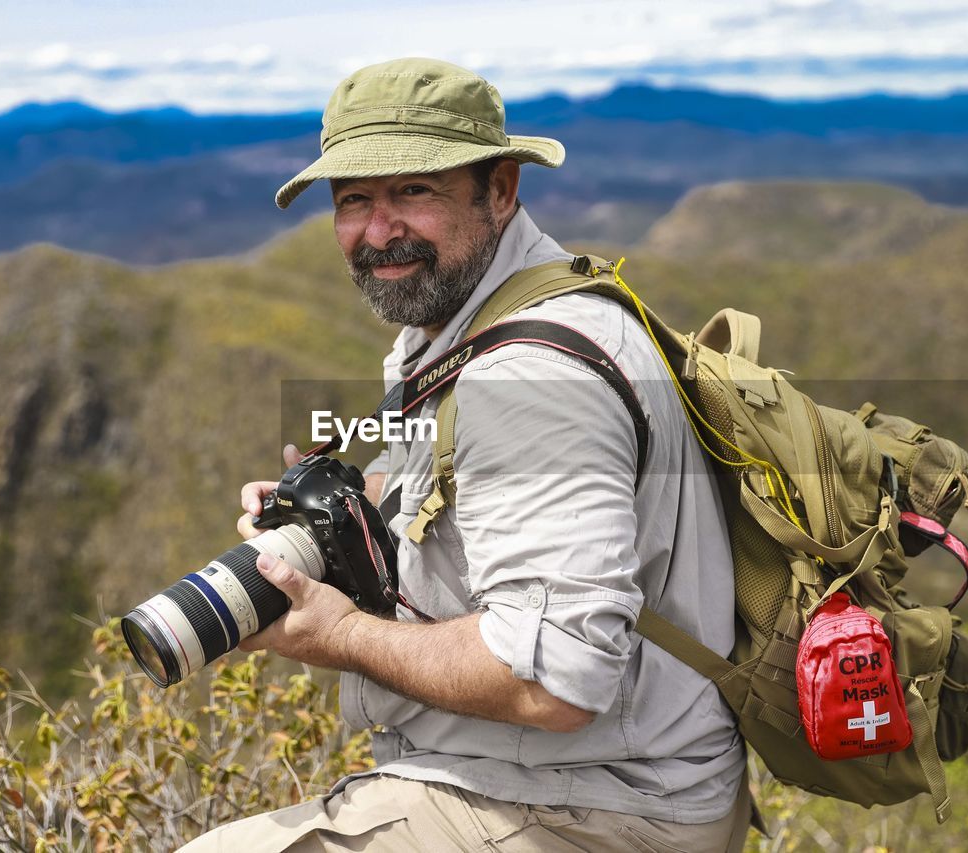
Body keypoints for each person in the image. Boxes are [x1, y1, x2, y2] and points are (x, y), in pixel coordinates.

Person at [180, 57, 749, 852]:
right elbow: (479, 487)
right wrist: (351, 513)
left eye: (415, 191)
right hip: (584, 777)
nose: (379, 232)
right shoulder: (469, 323)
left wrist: (336, 634)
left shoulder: (528, 378)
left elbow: (556, 679)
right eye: (354, 201)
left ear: (501, 188)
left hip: (594, 807)